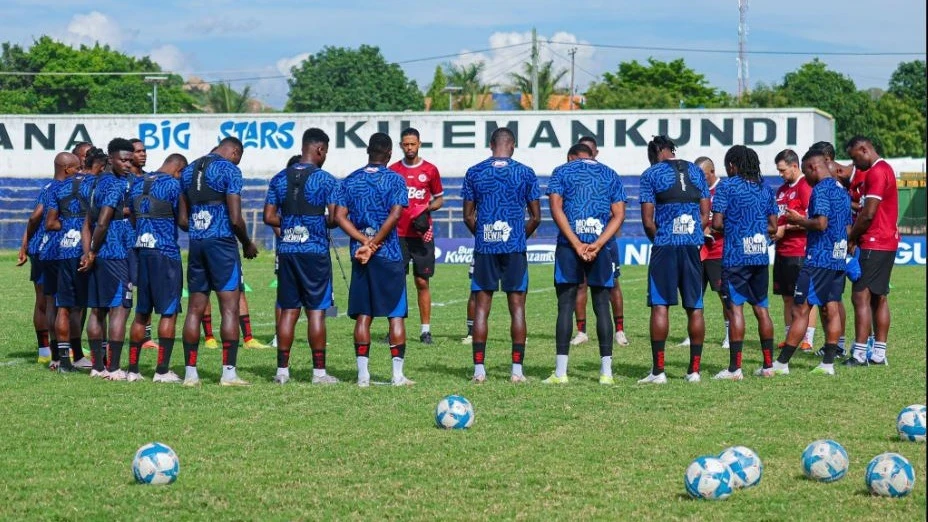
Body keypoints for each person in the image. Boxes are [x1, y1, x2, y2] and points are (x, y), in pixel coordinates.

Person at [462, 127, 542, 384]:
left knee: (482, 309)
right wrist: (516, 237)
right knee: (517, 307)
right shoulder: (525, 172)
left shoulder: (474, 172)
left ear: (490, 144)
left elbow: (467, 216)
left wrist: (485, 237)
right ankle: (517, 371)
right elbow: (536, 216)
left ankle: (479, 371)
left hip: (485, 248)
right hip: (514, 249)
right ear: (513, 146)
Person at [542, 143, 626, 385]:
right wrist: (598, 244)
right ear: (592, 154)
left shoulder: (562, 171)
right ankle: (606, 373)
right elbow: (619, 214)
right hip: (600, 247)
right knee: (602, 305)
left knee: (565, 306)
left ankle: (561, 373)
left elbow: (555, 207)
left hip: (570, 246)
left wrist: (576, 243)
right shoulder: (610, 172)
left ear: (572, 156)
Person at [179, 137, 259, 387]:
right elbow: (235, 219)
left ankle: (190, 374)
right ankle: (228, 373)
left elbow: (182, 219)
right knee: (229, 308)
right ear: (235, 152)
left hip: (197, 242)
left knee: (194, 307)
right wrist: (247, 243)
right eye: (240, 156)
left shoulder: (189, 169)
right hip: (222, 243)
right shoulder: (230, 169)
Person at [336, 132, 412, 387]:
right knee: (396, 314)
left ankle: (363, 376)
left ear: (368, 151)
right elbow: (396, 214)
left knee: (363, 314)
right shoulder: (395, 179)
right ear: (390, 153)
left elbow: (339, 216)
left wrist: (363, 241)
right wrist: (375, 243)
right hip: (388, 254)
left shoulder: (351, 180)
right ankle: (397, 375)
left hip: (361, 255)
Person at [264, 128, 339, 385]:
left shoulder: (279, 179)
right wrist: (319, 222)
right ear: (319, 149)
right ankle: (319, 373)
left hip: (287, 251)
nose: (325, 156)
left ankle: (282, 371)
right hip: (314, 252)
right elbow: (334, 218)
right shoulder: (326, 180)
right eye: (326, 152)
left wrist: (289, 225)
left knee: (288, 311)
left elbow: (268, 216)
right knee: (316, 312)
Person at [768, 148, 851, 376]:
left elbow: (821, 223)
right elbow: (847, 227)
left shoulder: (821, 190)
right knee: (831, 307)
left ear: (813, 168)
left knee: (800, 309)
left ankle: (782, 364)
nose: (807, 177)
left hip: (819, 259)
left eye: (806, 171)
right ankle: (827, 364)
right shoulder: (841, 190)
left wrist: (799, 220)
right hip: (837, 256)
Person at [637, 135, 710, 384]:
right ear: (671, 150)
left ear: (654, 152)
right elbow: (704, 214)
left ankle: (658, 372)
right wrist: (692, 234)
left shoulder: (651, 174)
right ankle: (694, 371)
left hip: (665, 246)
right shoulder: (696, 171)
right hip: (691, 245)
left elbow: (647, 220)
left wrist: (661, 239)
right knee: (695, 306)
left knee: (660, 305)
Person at [710, 145, 778, 380]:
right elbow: (774, 227)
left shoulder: (726, 186)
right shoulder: (765, 189)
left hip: (736, 256)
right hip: (760, 255)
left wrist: (735, 224)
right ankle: (768, 366)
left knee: (735, 309)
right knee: (762, 309)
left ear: (732, 165)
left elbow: (717, 224)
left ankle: (734, 369)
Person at [126, 154, 189, 383]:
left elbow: (132, 217)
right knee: (168, 311)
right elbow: (183, 221)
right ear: (179, 169)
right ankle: (162, 370)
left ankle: (132, 370)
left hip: (141, 251)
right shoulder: (174, 184)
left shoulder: (137, 183)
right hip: (165, 254)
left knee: (142, 312)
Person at [80, 138, 137, 380]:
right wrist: (93, 250)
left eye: (130, 161)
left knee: (97, 310)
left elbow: (86, 223)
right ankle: (113, 368)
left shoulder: (91, 183)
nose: (127, 164)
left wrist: (88, 251)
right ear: (110, 159)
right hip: (115, 252)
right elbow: (102, 221)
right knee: (120, 309)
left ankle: (97, 366)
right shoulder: (114, 185)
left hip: (98, 253)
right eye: (123, 160)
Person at [844, 136, 899, 367]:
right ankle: (878, 353)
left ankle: (858, 354)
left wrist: (851, 237)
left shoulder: (877, 172)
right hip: (887, 241)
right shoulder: (886, 168)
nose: (855, 165)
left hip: (874, 241)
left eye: (855, 158)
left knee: (860, 296)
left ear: (864, 149)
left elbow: (868, 214)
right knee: (879, 296)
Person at [571, 136, 629, 346]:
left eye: (590, 151)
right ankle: (581, 331)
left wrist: (604, 239)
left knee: (613, 284)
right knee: (580, 285)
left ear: (596, 153)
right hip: (578, 239)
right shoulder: (572, 177)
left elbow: (618, 211)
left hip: (605, 241)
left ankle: (620, 330)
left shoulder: (607, 175)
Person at [389, 127, 444, 345]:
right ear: (401, 145)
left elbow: (439, 199)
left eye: (413, 143)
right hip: (398, 235)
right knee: (396, 282)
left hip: (422, 236)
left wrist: (426, 210)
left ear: (419, 143)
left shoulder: (430, 170)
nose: (409, 147)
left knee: (422, 281)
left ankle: (425, 330)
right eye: (406, 144)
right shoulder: (393, 171)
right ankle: (395, 328)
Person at [35, 153, 86, 371]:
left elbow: (35, 216)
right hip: (62, 252)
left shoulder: (47, 188)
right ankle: (74, 354)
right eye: (77, 168)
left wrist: (27, 242)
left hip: (46, 251)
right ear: (68, 169)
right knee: (69, 306)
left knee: (52, 304)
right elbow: (49, 221)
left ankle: (56, 356)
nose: (80, 171)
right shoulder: (66, 189)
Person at [679, 156, 729, 349]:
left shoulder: (723, 189)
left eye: (701, 174)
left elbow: (730, 220)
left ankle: (728, 334)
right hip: (696, 251)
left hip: (718, 251)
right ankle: (692, 334)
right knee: (693, 293)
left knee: (723, 295)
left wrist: (711, 230)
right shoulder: (694, 191)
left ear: (712, 171)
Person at [772, 149, 818, 352]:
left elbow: (812, 218)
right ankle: (789, 335)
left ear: (794, 166)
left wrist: (786, 228)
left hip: (800, 250)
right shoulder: (781, 190)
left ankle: (807, 338)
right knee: (786, 297)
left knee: (805, 298)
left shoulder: (804, 186)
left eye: (782, 170)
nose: (780, 174)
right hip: (782, 251)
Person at [18, 175, 55, 365]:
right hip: (46, 248)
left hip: (47, 248)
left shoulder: (56, 186)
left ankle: (51, 349)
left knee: (51, 300)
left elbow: (33, 218)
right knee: (46, 299)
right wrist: (25, 245)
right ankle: (48, 350)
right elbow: (34, 218)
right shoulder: (53, 187)